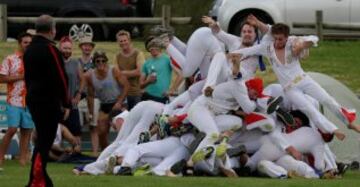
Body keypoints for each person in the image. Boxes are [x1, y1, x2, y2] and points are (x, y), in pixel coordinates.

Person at [24, 15, 71, 187]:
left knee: (42, 139)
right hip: (48, 101)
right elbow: (61, 78)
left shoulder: (29, 50)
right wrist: (66, 103)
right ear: (52, 30)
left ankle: (41, 178)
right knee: (45, 141)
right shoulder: (50, 49)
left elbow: (27, 77)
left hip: (33, 99)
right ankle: (37, 180)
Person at [0, 32, 34, 168]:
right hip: (13, 100)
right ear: (20, 43)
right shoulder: (10, 59)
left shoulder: (34, 60)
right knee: (12, 129)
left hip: (30, 101)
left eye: (30, 43)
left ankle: (23, 160)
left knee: (27, 131)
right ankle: (0, 156)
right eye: (25, 42)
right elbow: (1, 78)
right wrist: (21, 76)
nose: (28, 45)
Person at [85, 50, 129, 150]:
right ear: (94, 63)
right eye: (98, 61)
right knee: (101, 131)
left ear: (106, 61)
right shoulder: (90, 76)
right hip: (105, 104)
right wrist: (91, 113)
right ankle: (106, 154)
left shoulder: (114, 71)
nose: (101, 63)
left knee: (121, 128)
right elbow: (90, 96)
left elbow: (126, 86)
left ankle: (123, 152)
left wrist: (119, 102)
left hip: (119, 103)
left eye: (103, 61)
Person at [59, 36, 85, 150]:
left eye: (69, 48)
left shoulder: (76, 63)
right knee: (58, 130)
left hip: (72, 103)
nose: (67, 51)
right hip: (58, 104)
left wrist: (79, 93)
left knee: (76, 131)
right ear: (60, 47)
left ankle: (76, 152)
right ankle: (59, 153)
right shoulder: (56, 62)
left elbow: (83, 79)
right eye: (65, 48)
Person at [140, 37, 178, 104]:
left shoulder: (168, 59)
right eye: (151, 46)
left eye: (155, 45)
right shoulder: (146, 63)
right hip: (147, 96)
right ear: (148, 48)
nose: (153, 48)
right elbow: (141, 85)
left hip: (161, 98)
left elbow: (181, 74)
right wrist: (148, 82)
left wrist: (172, 90)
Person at [115, 30, 145, 110]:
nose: (123, 43)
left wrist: (123, 73)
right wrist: (131, 73)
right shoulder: (117, 56)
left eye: (125, 40)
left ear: (129, 40)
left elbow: (140, 71)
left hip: (137, 92)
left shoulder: (138, 54)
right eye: (121, 41)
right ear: (118, 42)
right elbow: (116, 74)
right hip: (123, 94)